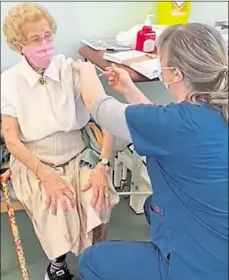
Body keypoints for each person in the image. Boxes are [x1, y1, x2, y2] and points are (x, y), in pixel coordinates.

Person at [73, 23, 228, 280]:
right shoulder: (213, 108)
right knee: (152, 206)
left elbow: (99, 107)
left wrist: (84, 71)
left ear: (175, 73)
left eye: (161, 60)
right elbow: (163, 128)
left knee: (92, 261)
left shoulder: (178, 123)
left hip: (204, 267)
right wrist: (130, 90)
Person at [1, 3, 119, 280]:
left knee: (97, 198)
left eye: (48, 36)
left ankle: (96, 259)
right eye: (35, 39)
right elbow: (11, 138)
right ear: (19, 45)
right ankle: (57, 264)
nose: (45, 44)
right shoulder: (8, 82)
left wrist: (103, 164)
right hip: (34, 158)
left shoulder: (74, 71)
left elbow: (107, 115)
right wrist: (45, 175)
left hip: (78, 150)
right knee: (55, 204)